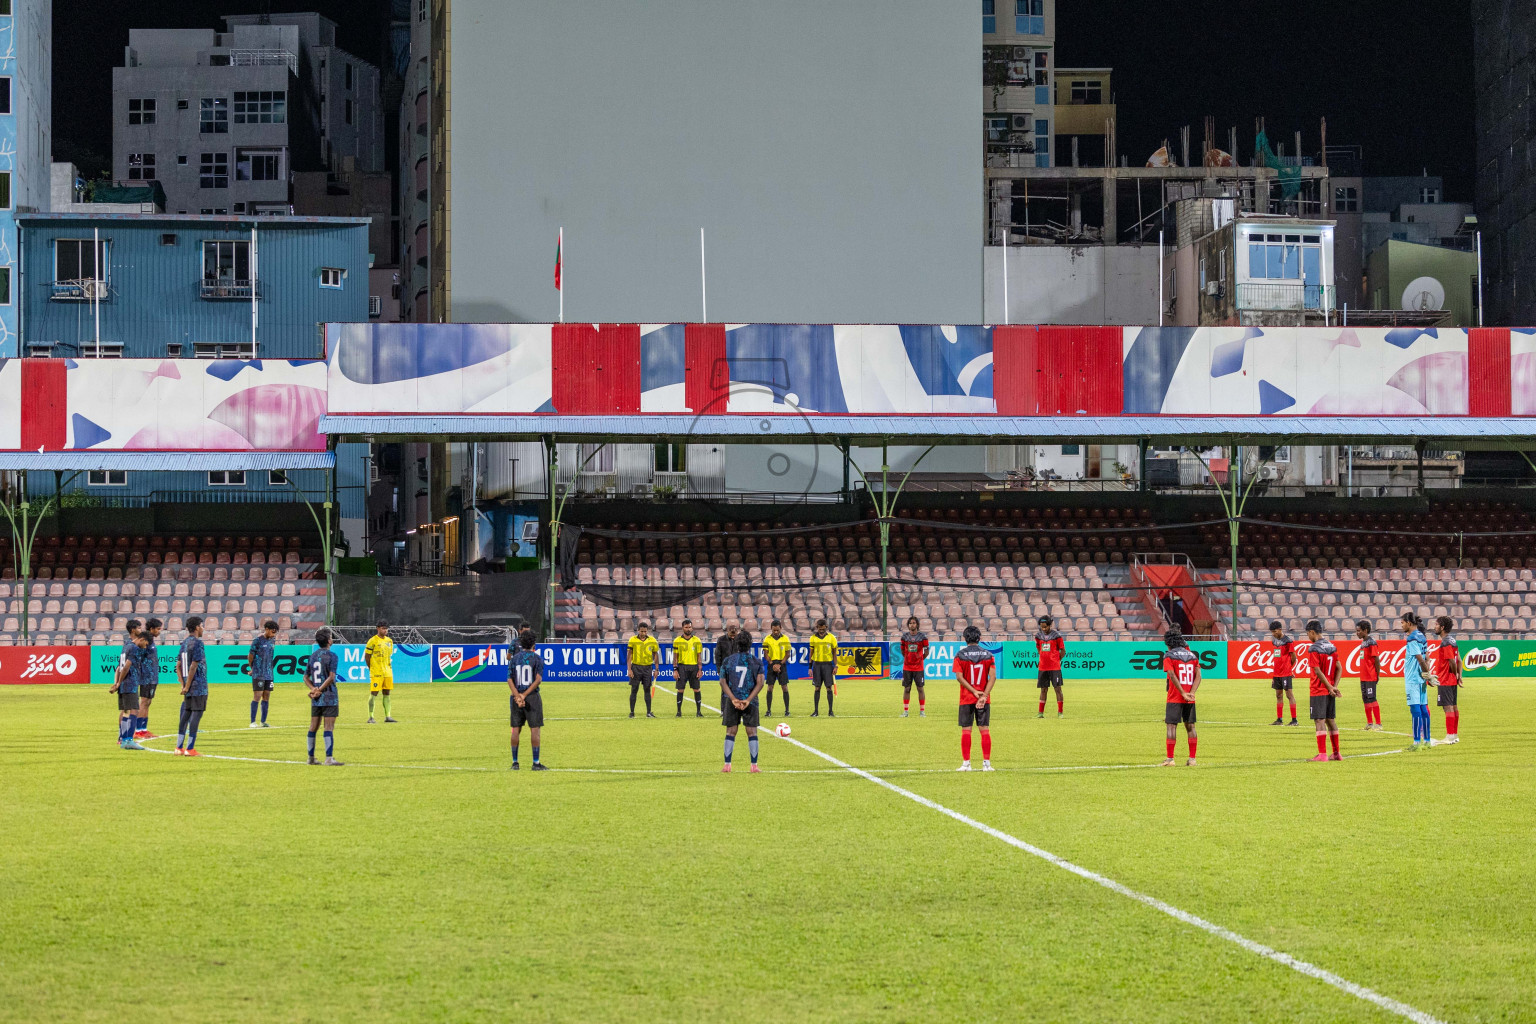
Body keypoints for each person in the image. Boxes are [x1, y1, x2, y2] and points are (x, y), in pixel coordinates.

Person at [718, 635, 765, 773]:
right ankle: (754, 766)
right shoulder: (756, 662)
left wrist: (732, 699)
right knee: (752, 732)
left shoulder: (728, 661)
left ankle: (727, 765)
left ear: (736, 645)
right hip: (750, 701)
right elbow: (760, 683)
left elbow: (722, 682)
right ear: (750, 645)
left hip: (731, 700)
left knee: (730, 732)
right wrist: (748, 700)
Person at [953, 626, 996, 771]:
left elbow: (959, 677)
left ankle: (966, 764)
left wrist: (973, 691)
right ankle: (987, 764)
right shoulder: (988, 655)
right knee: (984, 730)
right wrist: (983, 695)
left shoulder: (960, 655)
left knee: (966, 730)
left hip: (966, 698)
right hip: (983, 699)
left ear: (965, 638)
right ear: (979, 638)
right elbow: (993, 677)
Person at [508, 629, 548, 770]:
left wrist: (517, 696)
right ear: (533, 644)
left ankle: (515, 763)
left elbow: (509, 679)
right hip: (531, 697)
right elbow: (538, 680)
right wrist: (524, 696)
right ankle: (536, 763)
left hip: (516, 697)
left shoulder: (514, 659)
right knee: (535, 729)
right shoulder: (537, 659)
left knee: (515, 729)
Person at [1305, 620, 1342, 762]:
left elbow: (1317, 670)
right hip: (1330, 689)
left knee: (1319, 720)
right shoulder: (1332, 646)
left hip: (1318, 689)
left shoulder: (1314, 648)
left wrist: (1328, 686)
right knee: (1330, 720)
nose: (1308, 637)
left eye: (1308, 634)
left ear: (1312, 632)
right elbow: (1339, 668)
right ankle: (1336, 753)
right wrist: (1334, 686)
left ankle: (1322, 754)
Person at [1162, 629, 1201, 766]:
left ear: (1168, 642)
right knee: (1190, 726)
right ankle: (1192, 759)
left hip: (1175, 697)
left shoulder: (1169, 656)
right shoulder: (1192, 656)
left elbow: (1172, 675)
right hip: (1190, 697)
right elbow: (1199, 675)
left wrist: (1182, 693)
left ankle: (1170, 759)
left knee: (1171, 726)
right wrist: (1192, 692)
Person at [306, 629, 344, 766]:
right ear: (329, 640)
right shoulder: (332, 656)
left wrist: (313, 689)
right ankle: (329, 758)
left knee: (313, 726)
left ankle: (310, 758)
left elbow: (305, 677)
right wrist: (320, 690)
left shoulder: (313, 656)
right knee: (328, 727)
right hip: (329, 696)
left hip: (316, 699)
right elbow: (331, 677)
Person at [175, 617, 209, 757]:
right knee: (197, 713)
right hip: (198, 685)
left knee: (186, 713)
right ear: (196, 627)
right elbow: (194, 666)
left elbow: (178, 665)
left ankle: (178, 747)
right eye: (201, 626)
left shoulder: (184, 643)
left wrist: (183, 685)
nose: (202, 629)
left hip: (188, 687)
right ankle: (190, 748)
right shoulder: (197, 643)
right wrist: (188, 686)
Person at [111, 630, 150, 750]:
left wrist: (117, 683)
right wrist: (118, 683)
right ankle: (128, 740)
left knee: (126, 712)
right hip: (130, 684)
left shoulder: (126, 646)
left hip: (123, 685)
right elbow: (126, 666)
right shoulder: (135, 649)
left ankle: (123, 738)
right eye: (146, 644)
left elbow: (118, 667)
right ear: (142, 639)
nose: (145, 647)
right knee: (134, 711)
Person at [1402, 613, 1432, 750]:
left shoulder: (1412, 638)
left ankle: (1416, 743)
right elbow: (1427, 658)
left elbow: (1420, 659)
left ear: (1409, 623)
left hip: (1413, 678)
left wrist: (1428, 675)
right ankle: (1427, 740)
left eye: (1402, 623)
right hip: (1420, 678)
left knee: (1415, 709)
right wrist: (1427, 675)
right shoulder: (1422, 636)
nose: (1402, 626)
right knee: (1423, 708)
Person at [1432, 615, 1462, 744]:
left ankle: (1449, 736)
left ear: (1442, 627)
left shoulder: (1445, 642)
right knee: (1454, 706)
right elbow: (1459, 660)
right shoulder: (1453, 641)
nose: (1435, 626)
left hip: (1445, 679)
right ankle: (1454, 735)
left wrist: (1454, 674)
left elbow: (1452, 662)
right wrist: (1459, 676)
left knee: (1448, 707)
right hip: (1452, 679)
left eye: (1437, 624)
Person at [132, 617, 163, 739]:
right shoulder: (145, 640)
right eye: (158, 629)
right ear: (152, 629)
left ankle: (143, 729)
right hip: (146, 676)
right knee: (144, 702)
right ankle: (138, 730)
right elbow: (138, 656)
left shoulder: (151, 640)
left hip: (152, 676)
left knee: (148, 702)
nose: (159, 631)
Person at [247, 619, 278, 728]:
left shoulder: (272, 641)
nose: (274, 634)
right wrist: (252, 668)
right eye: (272, 631)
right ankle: (252, 722)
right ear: (266, 629)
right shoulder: (257, 641)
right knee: (257, 696)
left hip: (269, 674)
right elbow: (250, 656)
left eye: (275, 632)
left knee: (267, 696)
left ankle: (263, 721)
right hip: (259, 673)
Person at [625, 621, 659, 718]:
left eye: (645, 631)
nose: (643, 633)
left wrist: (657, 669)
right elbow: (629, 655)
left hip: (648, 668)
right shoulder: (632, 640)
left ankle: (649, 712)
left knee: (647, 689)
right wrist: (629, 669)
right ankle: (632, 713)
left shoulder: (652, 640)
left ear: (647, 631)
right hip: (636, 667)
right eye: (641, 631)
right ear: (638, 630)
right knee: (634, 689)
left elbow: (655, 655)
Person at [672, 619, 705, 718]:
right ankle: (678, 712)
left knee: (696, 689)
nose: (688, 629)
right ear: (682, 628)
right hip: (682, 667)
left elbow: (699, 656)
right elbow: (675, 657)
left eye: (689, 627)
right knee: (680, 689)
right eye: (686, 627)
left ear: (692, 628)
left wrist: (700, 669)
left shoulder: (697, 640)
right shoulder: (677, 640)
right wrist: (675, 670)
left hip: (694, 667)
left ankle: (699, 712)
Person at [365, 620, 397, 723]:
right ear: (377, 628)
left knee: (387, 692)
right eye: (383, 628)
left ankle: (388, 716)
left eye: (386, 628)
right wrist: (371, 668)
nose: (385, 630)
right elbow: (367, 656)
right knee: (374, 692)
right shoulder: (372, 641)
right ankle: (371, 717)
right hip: (376, 671)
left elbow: (389, 655)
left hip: (387, 671)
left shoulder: (389, 641)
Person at [1268, 620, 1299, 725]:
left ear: (1280, 629)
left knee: (1289, 695)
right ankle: (1279, 720)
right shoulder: (1274, 641)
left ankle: (1294, 720)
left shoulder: (1288, 641)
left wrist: (1289, 669)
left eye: (1275, 631)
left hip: (1285, 673)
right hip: (1276, 673)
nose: (1273, 634)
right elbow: (1277, 656)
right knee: (1278, 696)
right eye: (1272, 632)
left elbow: (1294, 657)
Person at [1034, 614, 1065, 718]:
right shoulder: (1038, 636)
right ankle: (1040, 713)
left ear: (1049, 625)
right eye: (1042, 626)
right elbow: (1039, 649)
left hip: (1055, 667)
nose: (1043, 628)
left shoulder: (1057, 636)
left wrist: (1056, 660)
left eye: (1045, 626)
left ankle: (1060, 713)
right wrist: (1043, 657)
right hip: (1043, 667)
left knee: (1057, 689)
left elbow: (1063, 651)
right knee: (1043, 690)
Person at [1354, 620, 1383, 731]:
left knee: (1372, 698)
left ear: (1365, 631)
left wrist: (1377, 674)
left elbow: (1376, 659)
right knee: (1365, 699)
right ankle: (1369, 724)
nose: (1357, 633)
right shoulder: (1363, 642)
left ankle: (1379, 724)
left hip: (1370, 676)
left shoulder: (1371, 642)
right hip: (1364, 676)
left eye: (1359, 631)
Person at [761, 620, 793, 717]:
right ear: (771, 628)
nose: (776, 632)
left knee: (784, 687)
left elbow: (787, 654)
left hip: (782, 664)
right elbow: (766, 654)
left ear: (780, 629)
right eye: (774, 630)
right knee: (770, 687)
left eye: (777, 630)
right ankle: (768, 710)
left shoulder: (786, 639)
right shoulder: (767, 639)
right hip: (771, 664)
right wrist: (772, 664)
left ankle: (787, 710)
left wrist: (780, 664)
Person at [898, 617, 928, 718]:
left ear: (917, 625)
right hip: (907, 667)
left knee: (920, 688)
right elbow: (902, 651)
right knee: (907, 689)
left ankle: (922, 711)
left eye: (914, 623)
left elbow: (926, 651)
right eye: (910, 623)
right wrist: (908, 659)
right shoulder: (904, 637)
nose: (912, 625)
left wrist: (920, 659)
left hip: (919, 668)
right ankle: (905, 712)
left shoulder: (923, 637)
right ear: (908, 625)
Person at [808, 619, 837, 717]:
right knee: (817, 688)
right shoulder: (813, 638)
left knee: (829, 688)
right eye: (820, 629)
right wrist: (809, 667)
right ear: (817, 628)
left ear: (826, 627)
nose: (821, 631)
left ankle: (830, 711)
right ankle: (816, 711)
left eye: (823, 629)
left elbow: (834, 653)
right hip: (817, 665)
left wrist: (835, 665)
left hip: (828, 665)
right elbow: (811, 653)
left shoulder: (831, 638)